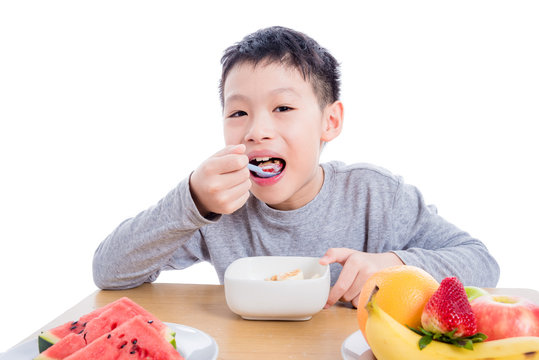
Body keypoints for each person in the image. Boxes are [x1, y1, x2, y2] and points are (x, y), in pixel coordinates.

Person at [93, 26, 499, 308]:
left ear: (330, 121)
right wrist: (192, 200)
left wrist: (393, 266)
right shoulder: (213, 208)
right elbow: (108, 271)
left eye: (283, 108)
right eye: (237, 112)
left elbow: (482, 265)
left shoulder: (377, 196)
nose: (256, 130)